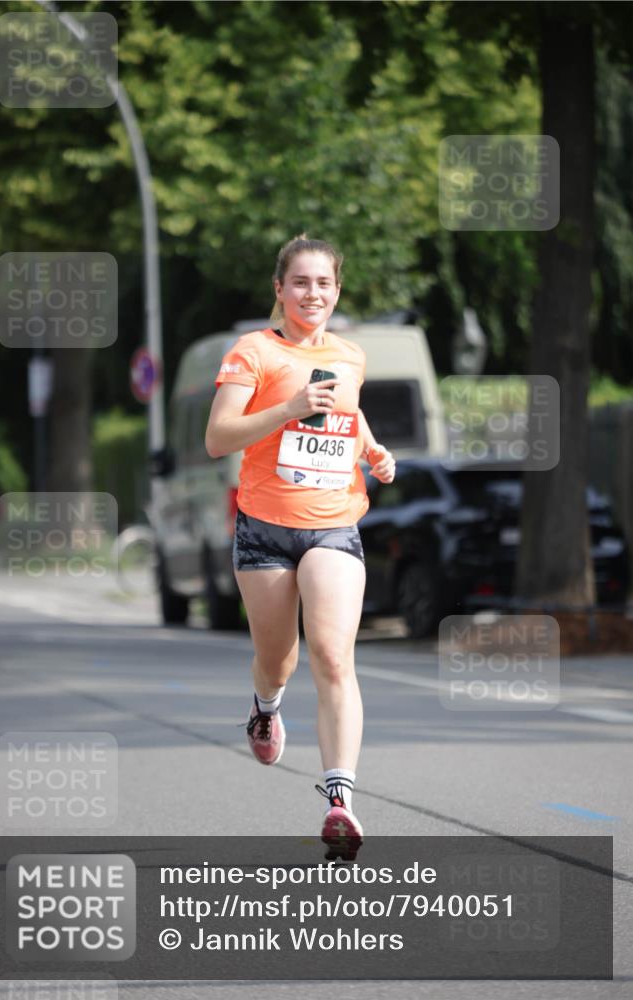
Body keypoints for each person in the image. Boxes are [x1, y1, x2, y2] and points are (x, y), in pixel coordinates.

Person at [205, 235, 395, 859]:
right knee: (277, 659)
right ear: (280, 290)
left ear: (337, 291)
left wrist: (372, 450)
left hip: (335, 523)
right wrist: (287, 408)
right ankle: (266, 706)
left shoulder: (349, 355)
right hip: (264, 527)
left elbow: (348, 414)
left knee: (335, 658)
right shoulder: (252, 352)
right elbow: (218, 438)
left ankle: (339, 799)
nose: (314, 294)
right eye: (301, 283)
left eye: (325, 284)